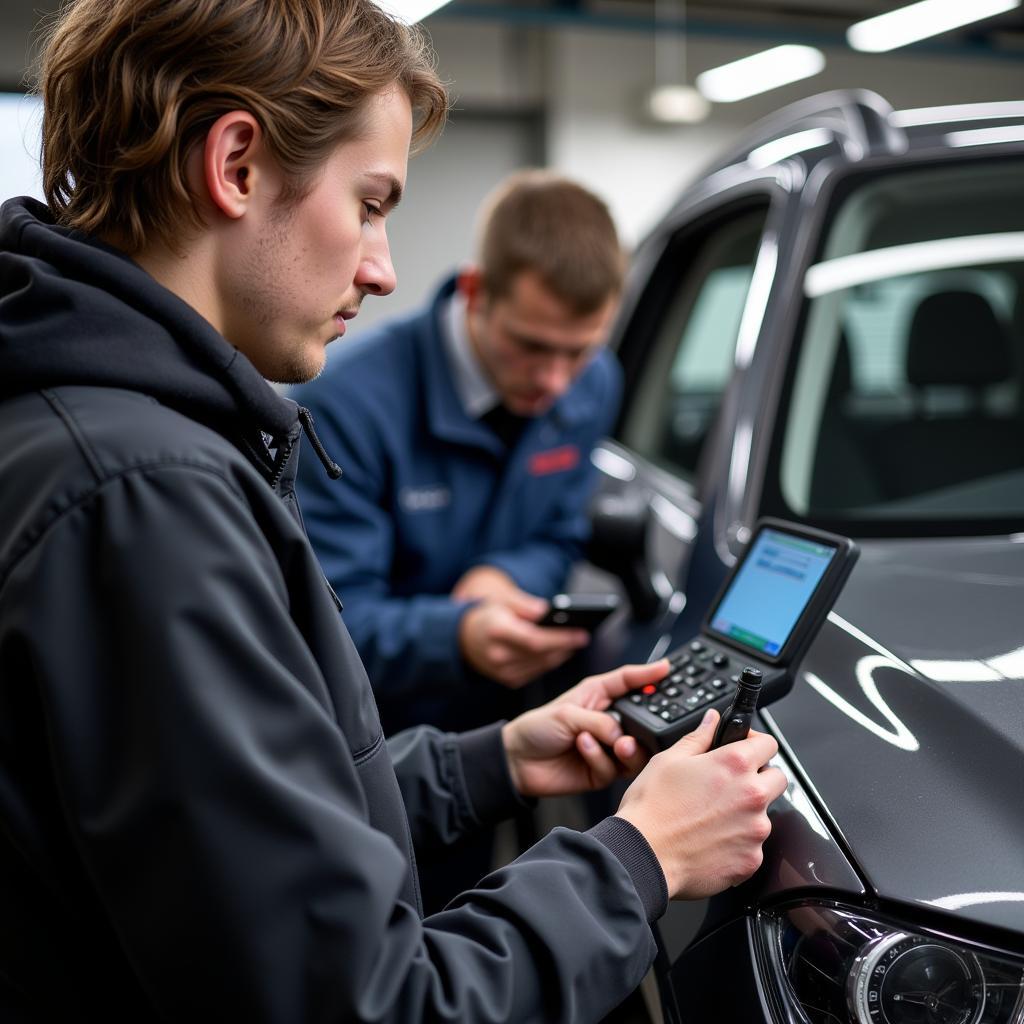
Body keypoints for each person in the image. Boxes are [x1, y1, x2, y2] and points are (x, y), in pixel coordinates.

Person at [0, 1, 788, 1021]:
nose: (381, 267)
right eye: (370, 203)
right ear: (236, 164)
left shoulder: (113, 438)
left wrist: (492, 759)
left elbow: (242, 826)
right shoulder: (144, 495)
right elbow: (367, 1003)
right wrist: (641, 856)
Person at [291, 170, 625, 739]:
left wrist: (504, 576)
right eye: (532, 347)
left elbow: (561, 536)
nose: (555, 382)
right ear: (475, 292)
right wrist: (457, 636)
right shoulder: (342, 402)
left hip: (507, 734)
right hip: (369, 742)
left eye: (580, 351)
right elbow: (325, 623)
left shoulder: (595, 384)